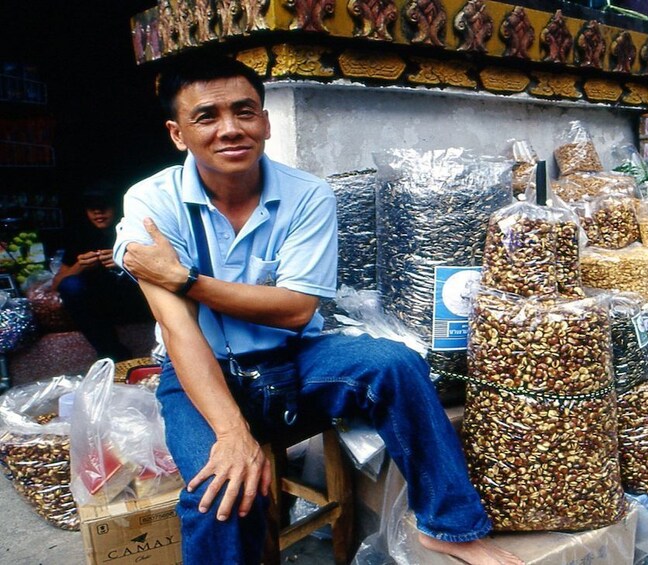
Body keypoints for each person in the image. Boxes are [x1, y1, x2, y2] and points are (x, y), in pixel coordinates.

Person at [114, 54, 521, 565]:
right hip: (201, 368)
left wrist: (187, 278)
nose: (230, 129)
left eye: (245, 111)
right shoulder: (152, 203)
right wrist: (232, 434)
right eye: (207, 117)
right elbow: (179, 330)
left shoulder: (306, 195)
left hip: (292, 357)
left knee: (396, 366)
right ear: (178, 134)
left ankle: (451, 527)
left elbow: (293, 309)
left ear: (264, 120)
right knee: (220, 492)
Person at [52, 185, 150, 360]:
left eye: (104, 207)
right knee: (71, 285)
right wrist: (79, 266)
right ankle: (112, 352)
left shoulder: (134, 230)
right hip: (98, 303)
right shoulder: (80, 236)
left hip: (133, 299)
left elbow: (160, 272)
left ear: (115, 208)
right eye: (92, 209)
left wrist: (124, 261)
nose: (98, 213)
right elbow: (57, 283)